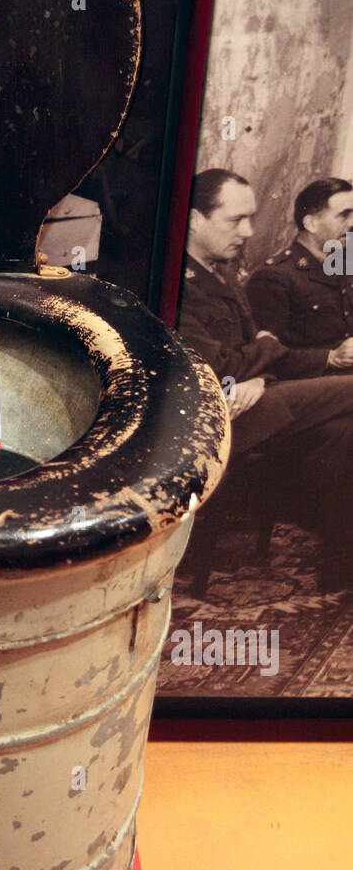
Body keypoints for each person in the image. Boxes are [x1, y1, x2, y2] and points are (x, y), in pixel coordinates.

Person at [178, 169, 353, 590]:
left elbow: (251, 352)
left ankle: (340, 566)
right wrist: (262, 357)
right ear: (194, 218)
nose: (250, 231)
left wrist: (257, 371)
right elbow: (220, 364)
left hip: (257, 398)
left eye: (251, 218)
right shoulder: (177, 284)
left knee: (342, 430)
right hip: (214, 421)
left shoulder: (223, 271)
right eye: (236, 220)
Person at [246, 177, 353, 353]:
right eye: (344, 215)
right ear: (311, 223)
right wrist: (330, 358)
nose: (351, 223)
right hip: (312, 376)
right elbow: (264, 354)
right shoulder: (274, 277)